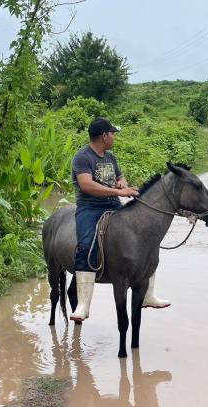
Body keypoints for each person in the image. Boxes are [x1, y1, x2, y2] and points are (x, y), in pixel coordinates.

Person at [70, 117, 171, 322]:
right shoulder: (82, 157)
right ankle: (83, 305)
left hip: (113, 205)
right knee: (86, 244)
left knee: (144, 237)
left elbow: (119, 177)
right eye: (112, 133)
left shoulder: (110, 156)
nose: (114, 137)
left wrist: (122, 184)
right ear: (103, 136)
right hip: (90, 208)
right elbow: (86, 185)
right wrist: (119, 192)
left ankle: (148, 294)